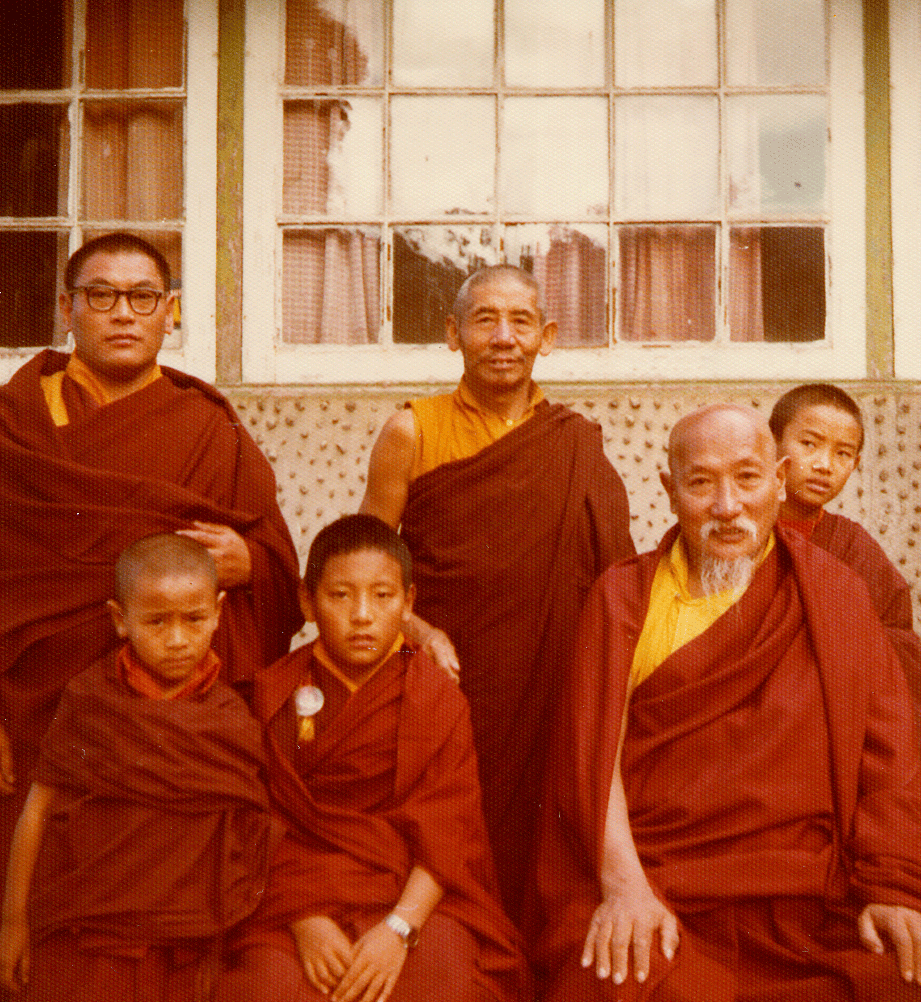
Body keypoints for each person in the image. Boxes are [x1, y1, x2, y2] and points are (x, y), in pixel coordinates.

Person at [534, 404, 921, 1002]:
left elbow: (887, 759)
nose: (727, 507)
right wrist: (624, 884)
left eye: (748, 478)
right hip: (664, 883)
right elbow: (589, 760)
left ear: (779, 480)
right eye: (702, 482)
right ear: (669, 490)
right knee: (610, 981)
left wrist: (894, 887)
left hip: (810, 898)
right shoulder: (624, 598)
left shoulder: (834, 594)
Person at [0, 232, 302, 881]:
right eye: (101, 295)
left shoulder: (207, 427)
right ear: (66, 306)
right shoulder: (14, 425)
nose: (123, 313)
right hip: (34, 710)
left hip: (171, 719)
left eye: (142, 297)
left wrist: (251, 564)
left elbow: (280, 563)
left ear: (171, 311)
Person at [360, 265, 634, 922]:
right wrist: (418, 632)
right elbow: (363, 565)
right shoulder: (412, 430)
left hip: (550, 683)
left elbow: (617, 580)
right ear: (454, 335)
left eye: (519, 322)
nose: (503, 337)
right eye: (485, 320)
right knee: (452, 839)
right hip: (449, 680)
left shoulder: (575, 444)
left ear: (547, 336)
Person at [216, 515, 528, 1002]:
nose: (362, 614)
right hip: (291, 900)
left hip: (409, 895)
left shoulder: (436, 699)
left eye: (382, 596)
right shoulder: (269, 695)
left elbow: (449, 829)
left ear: (408, 602)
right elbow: (253, 823)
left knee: (445, 981)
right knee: (267, 987)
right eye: (340, 595)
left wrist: (399, 929)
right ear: (308, 602)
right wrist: (305, 922)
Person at [0, 534, 275, 1001]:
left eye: (194, 620)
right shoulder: (90, 700)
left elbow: (247, 838)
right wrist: (12, 921)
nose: (177, 640)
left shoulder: (230, 718)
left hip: (187, 944)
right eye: (156, 622)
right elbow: (36, 810)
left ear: (218, 613)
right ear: (120, 620)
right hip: (90, 932)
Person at [770, 382, 921, 757]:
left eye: (842, 453)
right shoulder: (738, 532)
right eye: (809, 444)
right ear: (772, 444)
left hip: (827, 732)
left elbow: (899, 655)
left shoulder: (854, 548)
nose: (824, 465)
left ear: (855, 464)